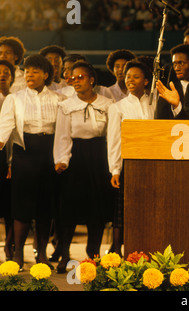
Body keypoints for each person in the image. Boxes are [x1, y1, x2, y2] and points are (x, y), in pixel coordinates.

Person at [0, 54, 66, 270]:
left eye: (35, 71)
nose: (29, 74)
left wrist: (61, 158)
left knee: (45, 207)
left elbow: (64, 131)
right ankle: (18, 254)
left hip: (49, 154)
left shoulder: (58, 99)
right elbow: (5, 125)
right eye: (27, 71)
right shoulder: (15, 98)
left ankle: (42, 255)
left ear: (46, 75)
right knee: (22, 206)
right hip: (24, 155)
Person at [53, 61, 114, 272]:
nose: (75, 81)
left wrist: (112, 165)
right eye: (73, 78)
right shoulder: (66, 106)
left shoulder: (107, 104)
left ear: (91, 80)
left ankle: (94, 254)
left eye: (80, 77)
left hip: (99, 157)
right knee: (69, 208)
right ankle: (64, 253)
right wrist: (61, 159)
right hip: (76, 156)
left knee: (96, 208)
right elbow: (62, 135)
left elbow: (112, 135)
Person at [107, 60, 155, 256]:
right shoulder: (117, 107)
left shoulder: (155, 102)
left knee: (148, 209)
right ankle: (117, 251)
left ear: (146, 81)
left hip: (153, 162)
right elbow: (114, 140)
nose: (130, 80)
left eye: (136, 77)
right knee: (123, 211)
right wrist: (115, 170)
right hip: (129, 163)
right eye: (128, 77)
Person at [155, 44, 189, 119]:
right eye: (174, 64)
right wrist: (177, 107)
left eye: (181, 63)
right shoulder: (167, 92)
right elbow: (160, 121)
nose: (177, 68)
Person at [0, 59, 14, 261]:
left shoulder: (17, 99)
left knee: (10, 206)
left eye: (6, 72)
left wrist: (11, 162)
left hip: (8, 156)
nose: (2, 74)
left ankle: (10, 247)